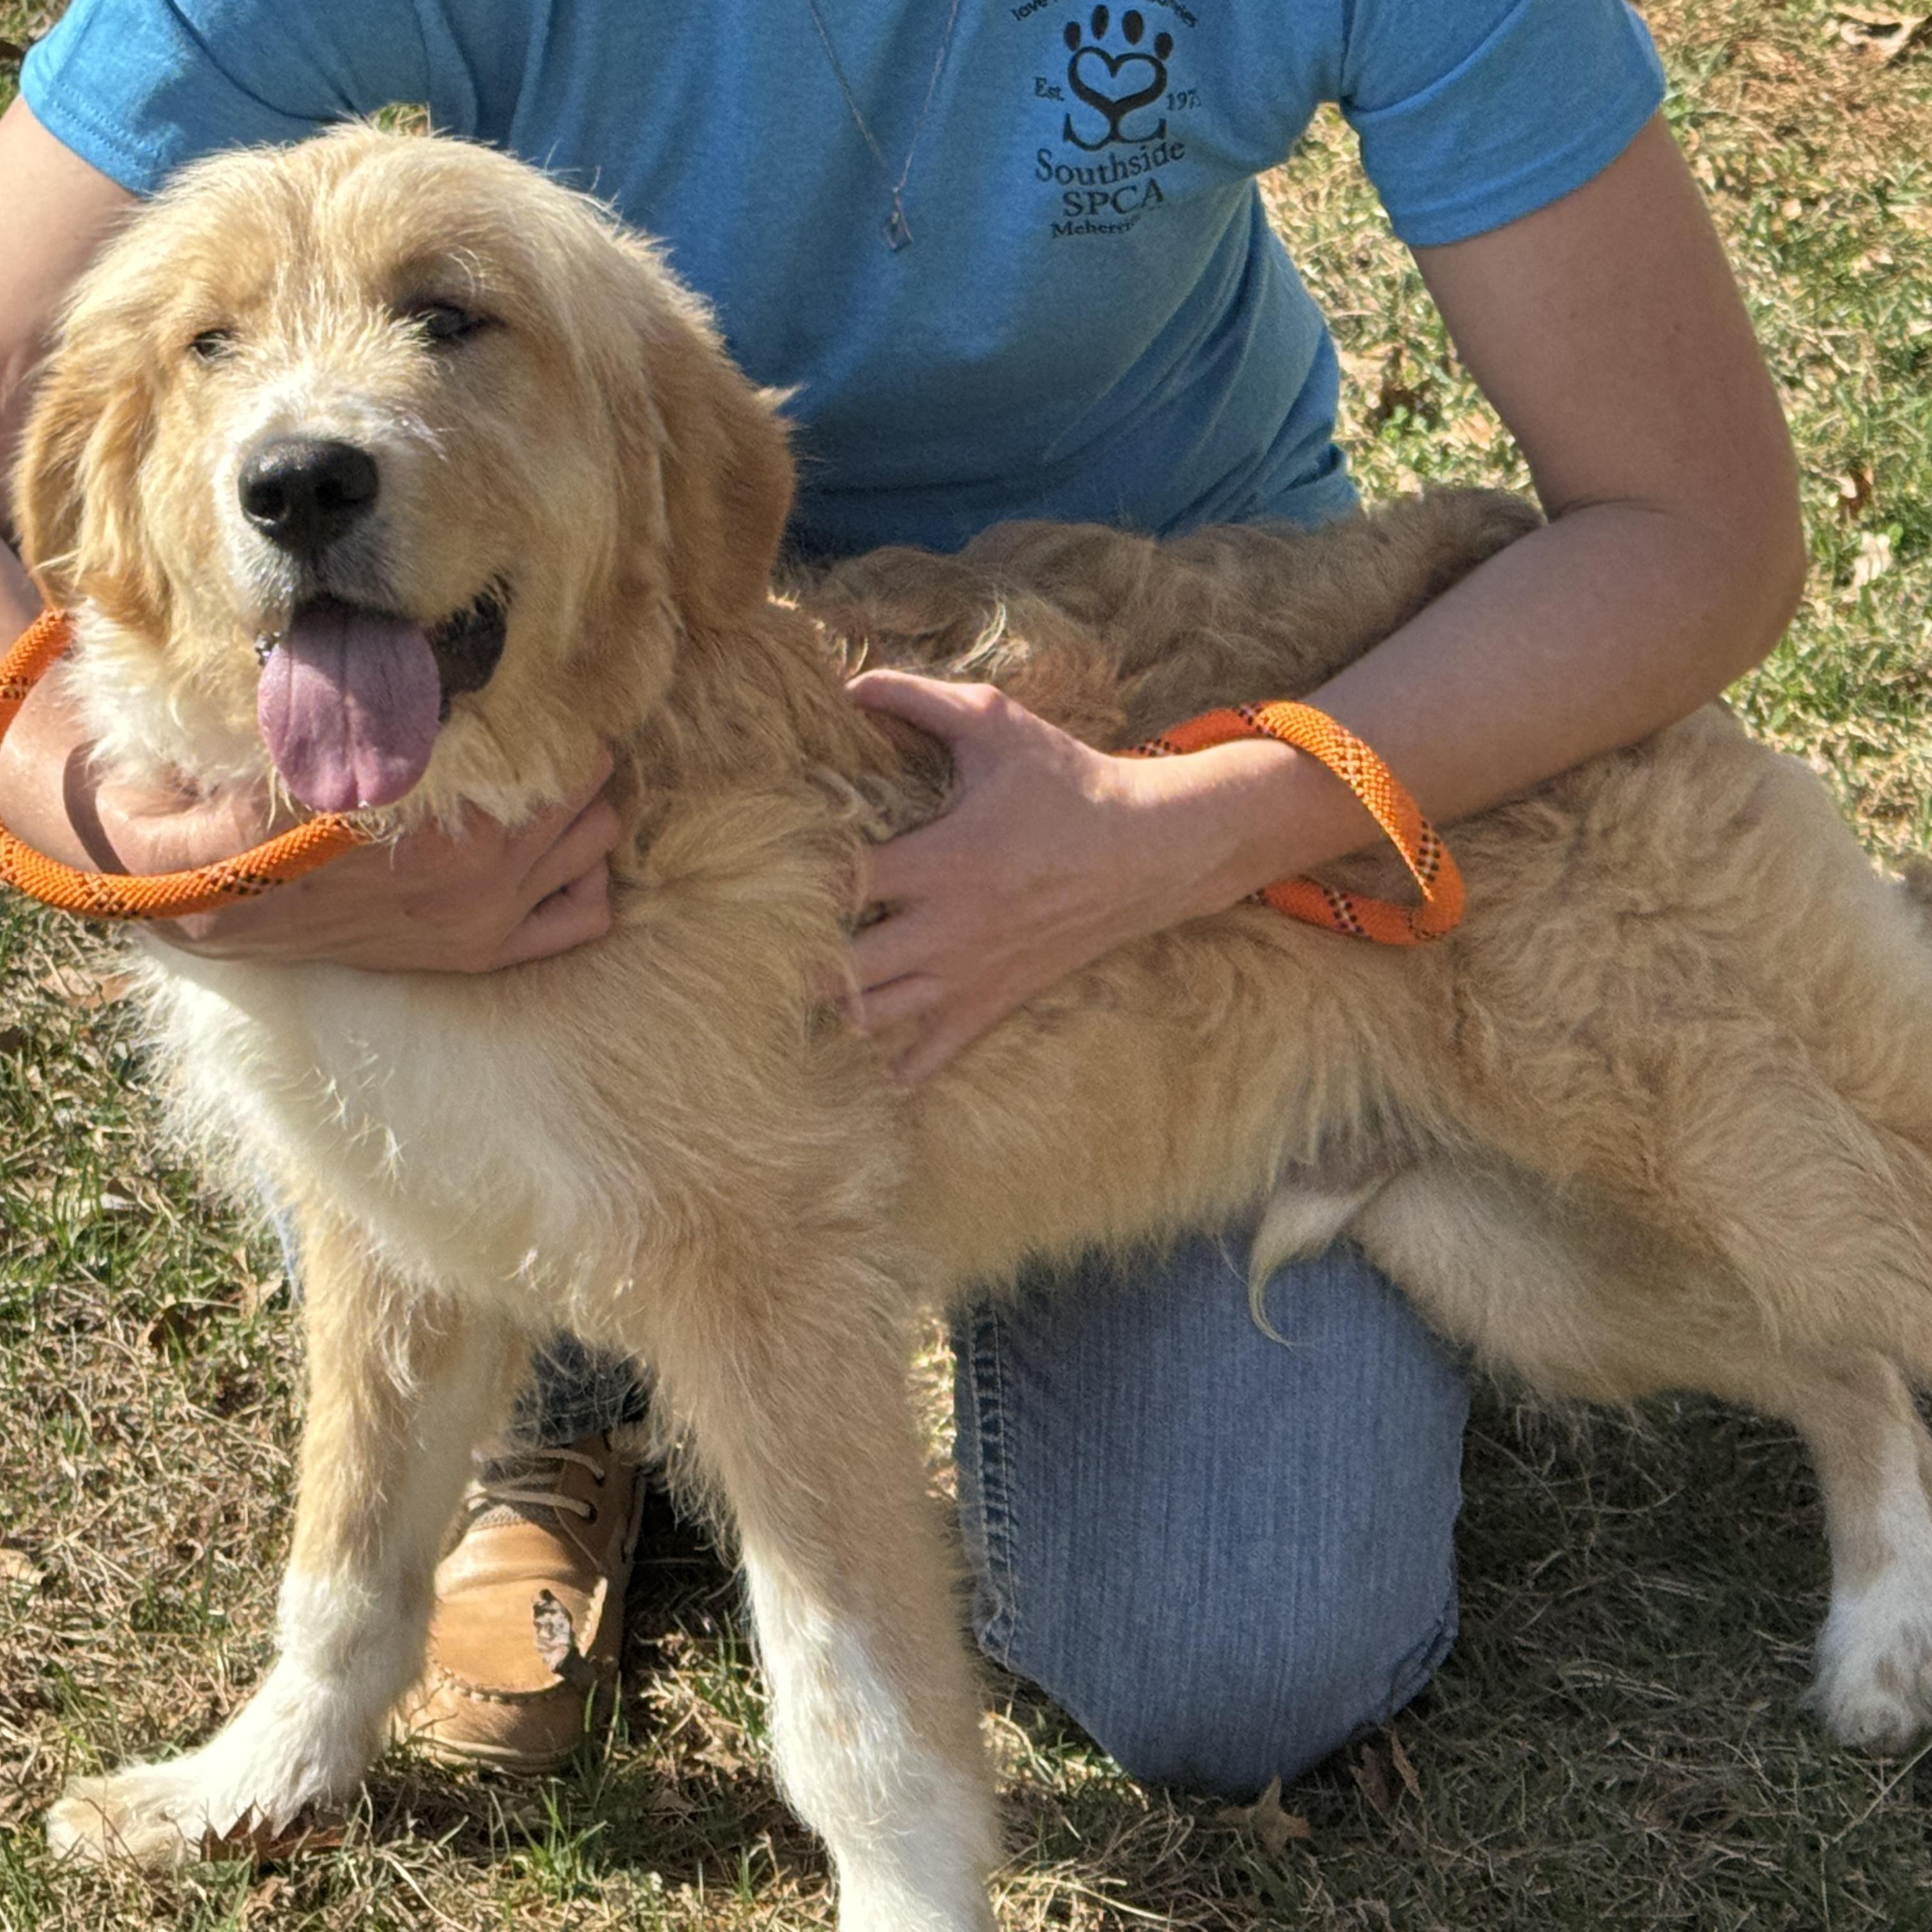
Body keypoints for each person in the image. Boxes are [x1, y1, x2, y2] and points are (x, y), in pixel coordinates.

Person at [0, 1, 1804, 1795]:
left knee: (1236, 1652)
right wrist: (141, 849)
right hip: (557, 651)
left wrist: (1185, 828)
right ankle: (556, 1406)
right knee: (481, 1123)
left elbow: (1695, 527)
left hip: (1161, 682)